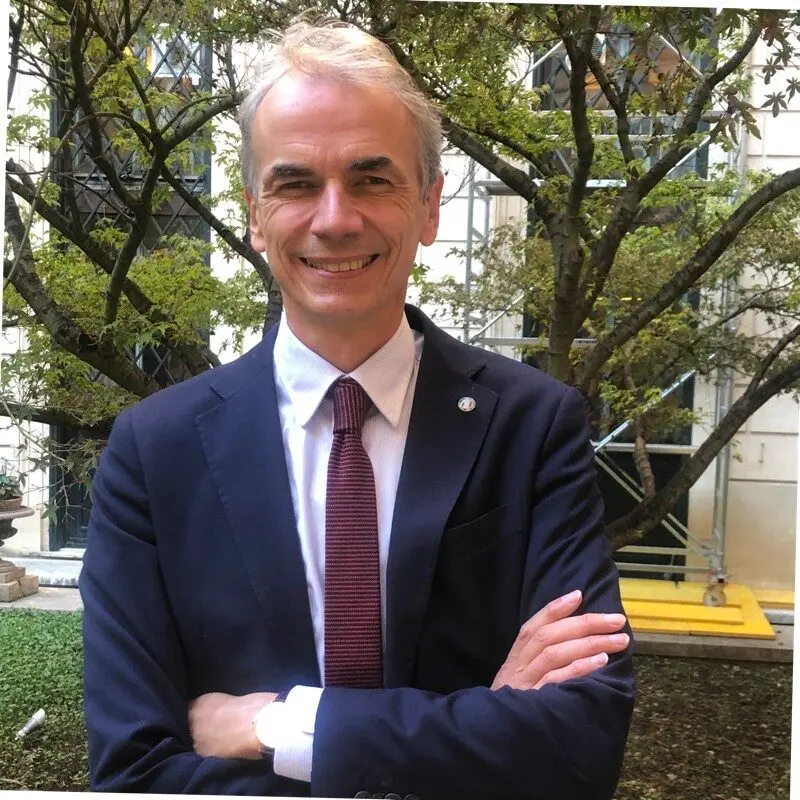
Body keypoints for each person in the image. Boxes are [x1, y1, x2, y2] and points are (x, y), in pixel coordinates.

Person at [80, 18, 635, 800]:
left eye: (372, 180)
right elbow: (135, 774)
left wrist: (285, 727)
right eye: (296, 183)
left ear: (430, 206)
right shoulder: (154, 452)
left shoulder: (533, 428)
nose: (335, 219)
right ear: (254, 213)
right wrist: (479, 728)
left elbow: (578, 748)